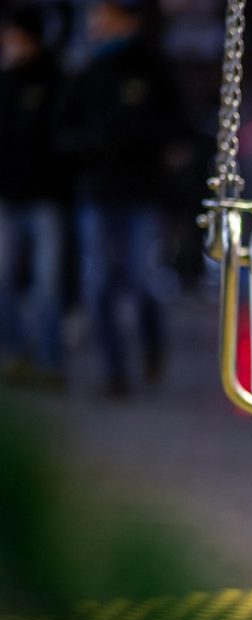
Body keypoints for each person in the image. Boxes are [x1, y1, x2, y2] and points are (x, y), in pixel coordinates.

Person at [59, 0, 181, 396]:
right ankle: (114, 371)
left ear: (126, 20)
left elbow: (174, 124)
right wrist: (90, 147)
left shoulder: (152, 66)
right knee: (99, 283)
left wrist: (137, 141)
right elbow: (63, 128)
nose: (98, 23)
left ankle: (151, 347)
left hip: (140, 189)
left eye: (106, 15)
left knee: (142, 278)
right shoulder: (88, 69)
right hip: (97, 189)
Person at [0, 5, 66, 388]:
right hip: (8, 193)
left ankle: (48, 358)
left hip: (45, 195)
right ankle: (15, 351)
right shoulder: (6, 80)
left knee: (46, 282)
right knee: (4, 279)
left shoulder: (54, 79)